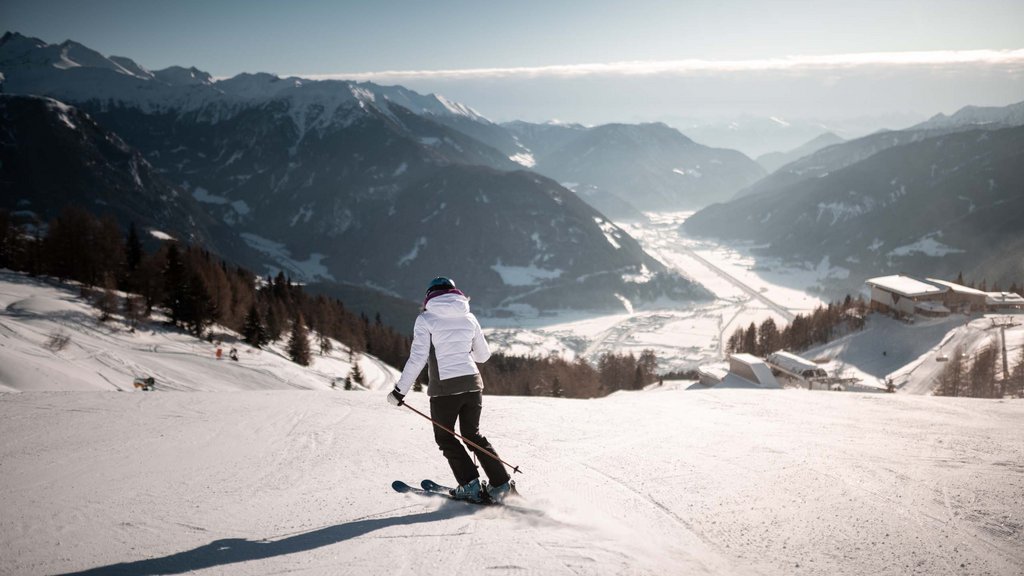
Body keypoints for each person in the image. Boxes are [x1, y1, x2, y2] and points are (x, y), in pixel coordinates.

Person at [387, 277, 511, 503]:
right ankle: (501, 485)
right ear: (455, 293)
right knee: (472, 435)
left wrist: (399, 392)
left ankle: (470, 486)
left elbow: (417, 358)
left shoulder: (426, 319)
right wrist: (462, 352)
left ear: (429, 297)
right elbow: (483, 356)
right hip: (473, 384)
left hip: (444, 390)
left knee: (445, 437)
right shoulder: (469, 317)